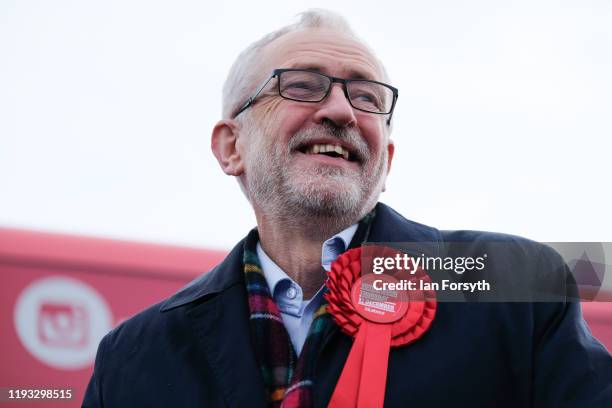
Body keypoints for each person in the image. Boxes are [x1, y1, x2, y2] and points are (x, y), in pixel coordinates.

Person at [83, 9, 611, 407]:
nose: (340, 110)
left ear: (386, 161)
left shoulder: (517, 285)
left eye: (367, 98)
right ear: (230, 147)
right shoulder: (133, 357)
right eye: (302, 85)